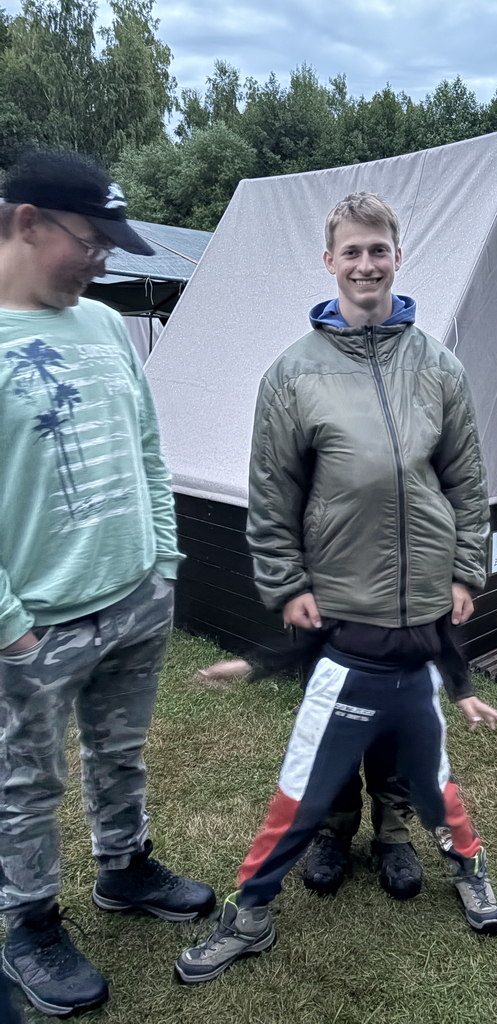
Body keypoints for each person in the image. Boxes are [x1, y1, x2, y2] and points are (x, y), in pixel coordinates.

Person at [175, 191, 497, 985]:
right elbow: (272, 494)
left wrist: (467, 567)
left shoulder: (439, 367)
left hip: (419, 609)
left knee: (416, 757)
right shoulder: (294, 373)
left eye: (377, 249)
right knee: (323, 756)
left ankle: (394, 838)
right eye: (351, 251)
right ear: (329, 261)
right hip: (340, 609)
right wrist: (285, 582)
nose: (365, 264)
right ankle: (331, 836)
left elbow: (466, 480)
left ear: (398, 256)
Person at [0, 151, 215, 1018]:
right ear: (26, 222)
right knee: (26, 785)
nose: (100, 262)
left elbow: (147, 448)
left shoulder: (103, 324)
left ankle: (123, 869)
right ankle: (28, 926)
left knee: (120, 753)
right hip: (35, 624)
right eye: (90, 242)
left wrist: (163, 564)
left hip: (134, 597)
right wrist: (10, 626)